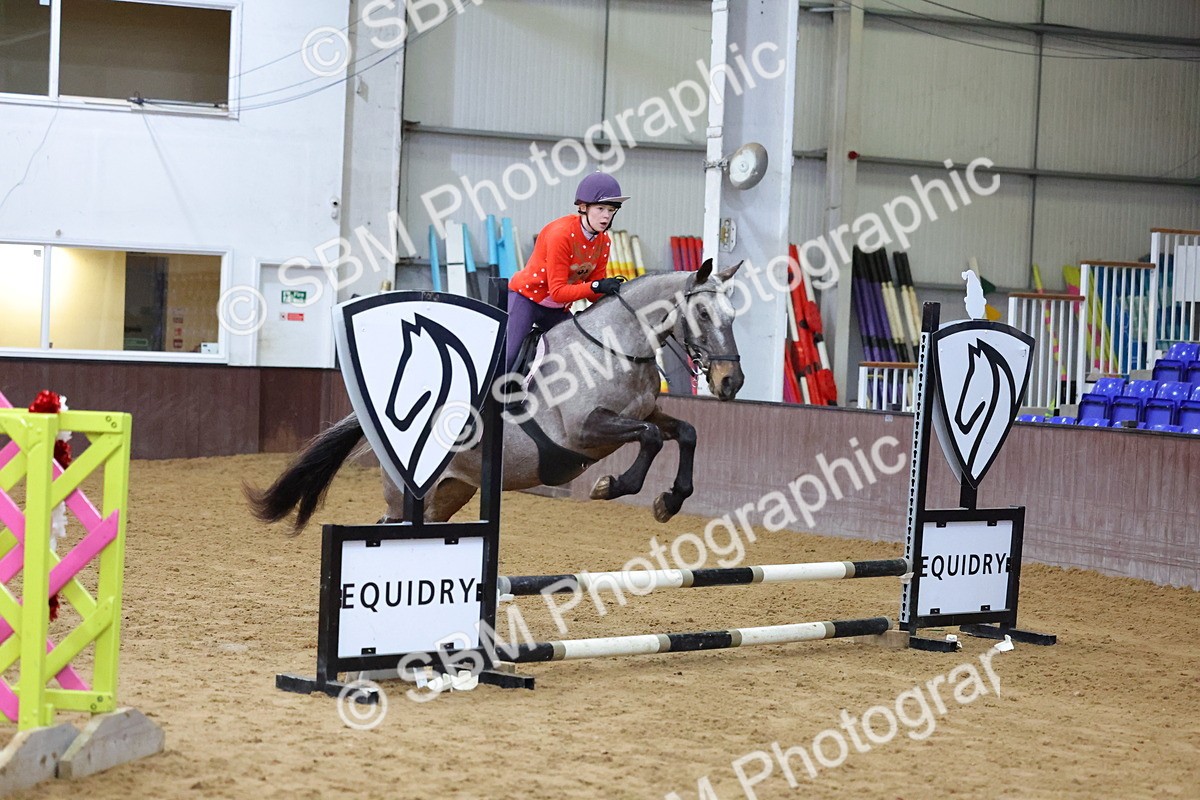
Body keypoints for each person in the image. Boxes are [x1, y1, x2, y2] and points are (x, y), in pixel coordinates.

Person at [503, 171, 628, 374]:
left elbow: (593, 295)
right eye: (600, 208)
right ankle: (485, 394)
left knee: (579, 351)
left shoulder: (604, 241)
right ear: (583, 207)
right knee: (508, 355)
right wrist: (597, 286)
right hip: (526, 299)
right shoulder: (561, 235)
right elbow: (559, 292)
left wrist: (613, 293)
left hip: (555, 309)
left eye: (611, 210)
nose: (606, 216)